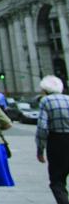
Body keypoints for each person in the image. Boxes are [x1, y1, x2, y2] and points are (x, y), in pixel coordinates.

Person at [36, 75, 69, 204]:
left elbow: (42, 128)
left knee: (57, 181)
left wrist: (40, 149)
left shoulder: (46, 101)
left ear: (44, 90)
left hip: (57, 141)